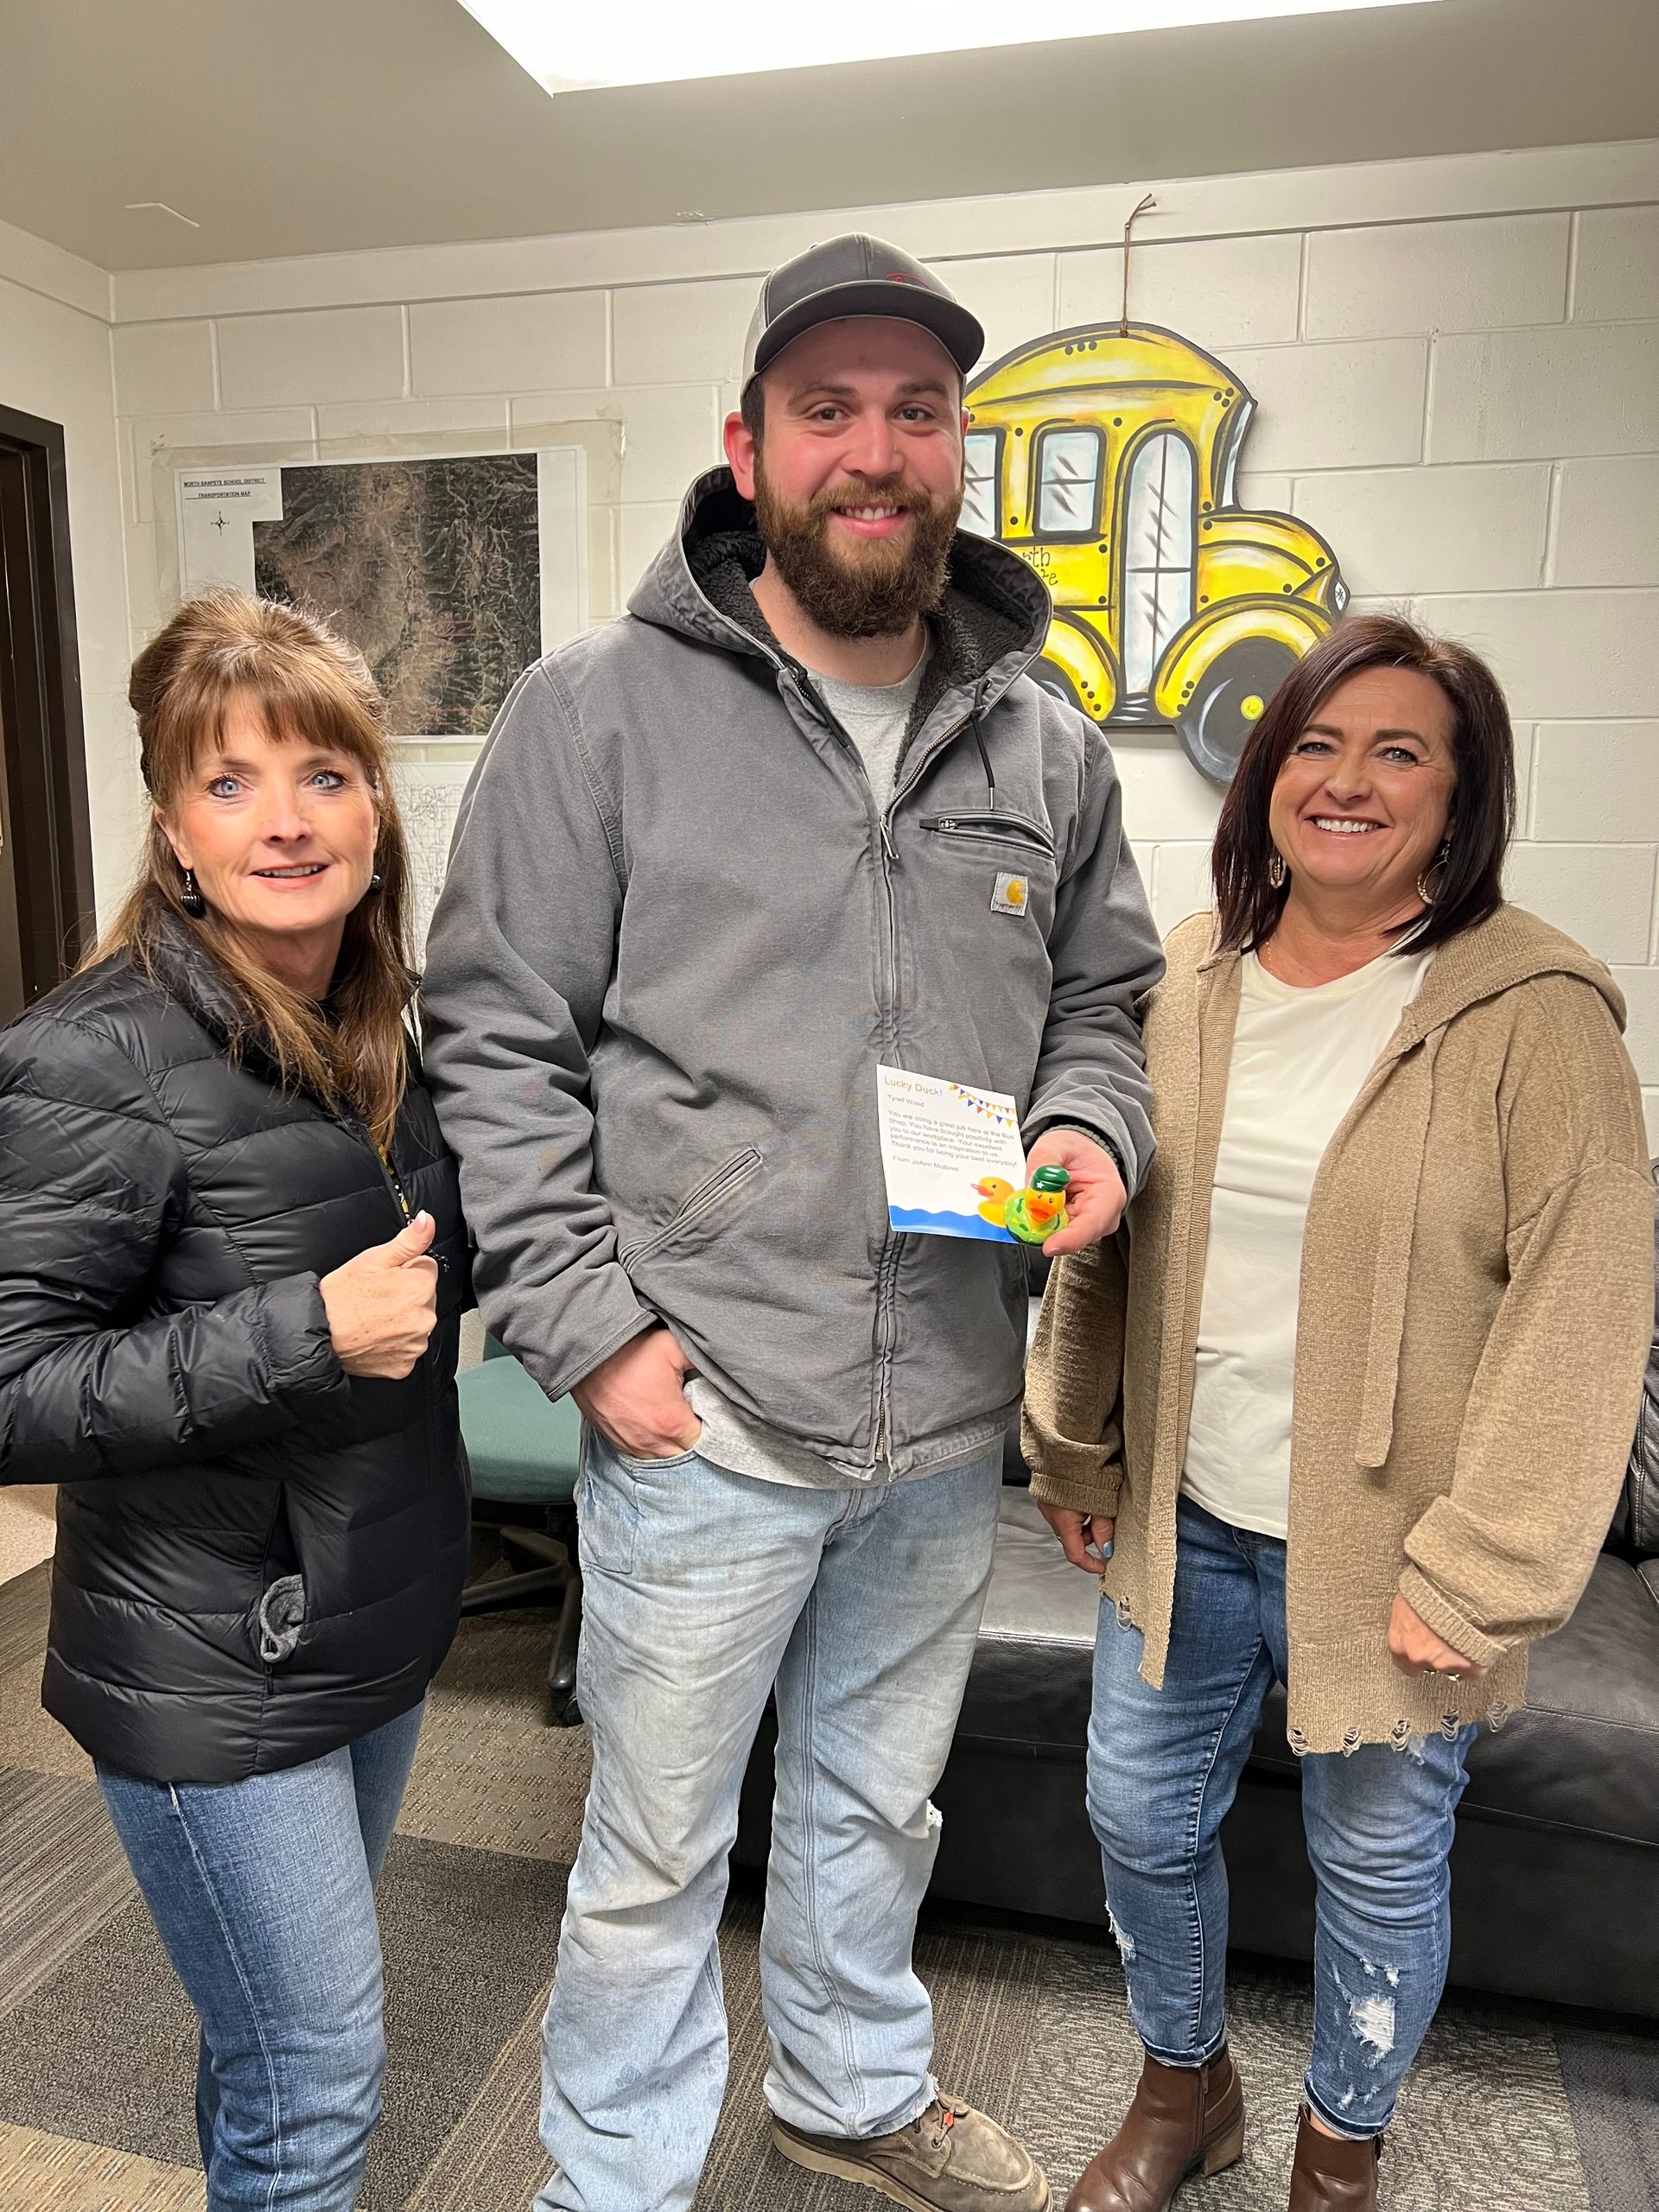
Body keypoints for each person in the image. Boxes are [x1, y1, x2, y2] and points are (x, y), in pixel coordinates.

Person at [421, 235, 1164, 2212]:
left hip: (937, 1413)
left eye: (916, 412)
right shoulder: (595, 712)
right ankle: (614, 2178)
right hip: (708, 1405)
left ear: (955, 454)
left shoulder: (1042, 741)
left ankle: (851, 2080)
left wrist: (1093, 1121)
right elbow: (491, 1038)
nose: (875, 448)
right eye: (827, 408)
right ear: (745, 448)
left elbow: (1109, 999)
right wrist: (595, 1331)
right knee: (658, 1848)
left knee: (874, 1798)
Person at [1022, 614, 1654, 2212]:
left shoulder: (1536, 1011)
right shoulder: (1185, 982)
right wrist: (1075, 1442)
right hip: (1186, 1516)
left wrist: (1487, 1569)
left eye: (1401, 752)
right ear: (1264, 773)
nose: (1349, 780)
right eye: (1317, 742)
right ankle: (1188, 2089)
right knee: (1134, 1817)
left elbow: (1581, 1312)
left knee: (1375, 1872)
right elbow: (1114, 1231)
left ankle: (1341, 2154)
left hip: (1392, 1555)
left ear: (1462, 798)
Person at [0, 591, 470, 2212]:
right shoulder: (90, 1057)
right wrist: (302, 1333)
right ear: (172, 833)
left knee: (260, 2047)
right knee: (317, 2081)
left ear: (378, 807)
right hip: (211, 1660)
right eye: (231, 783)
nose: (286, 821)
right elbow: (8, 1388)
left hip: (378, 1616)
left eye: (325, 776)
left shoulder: (388, 1022)